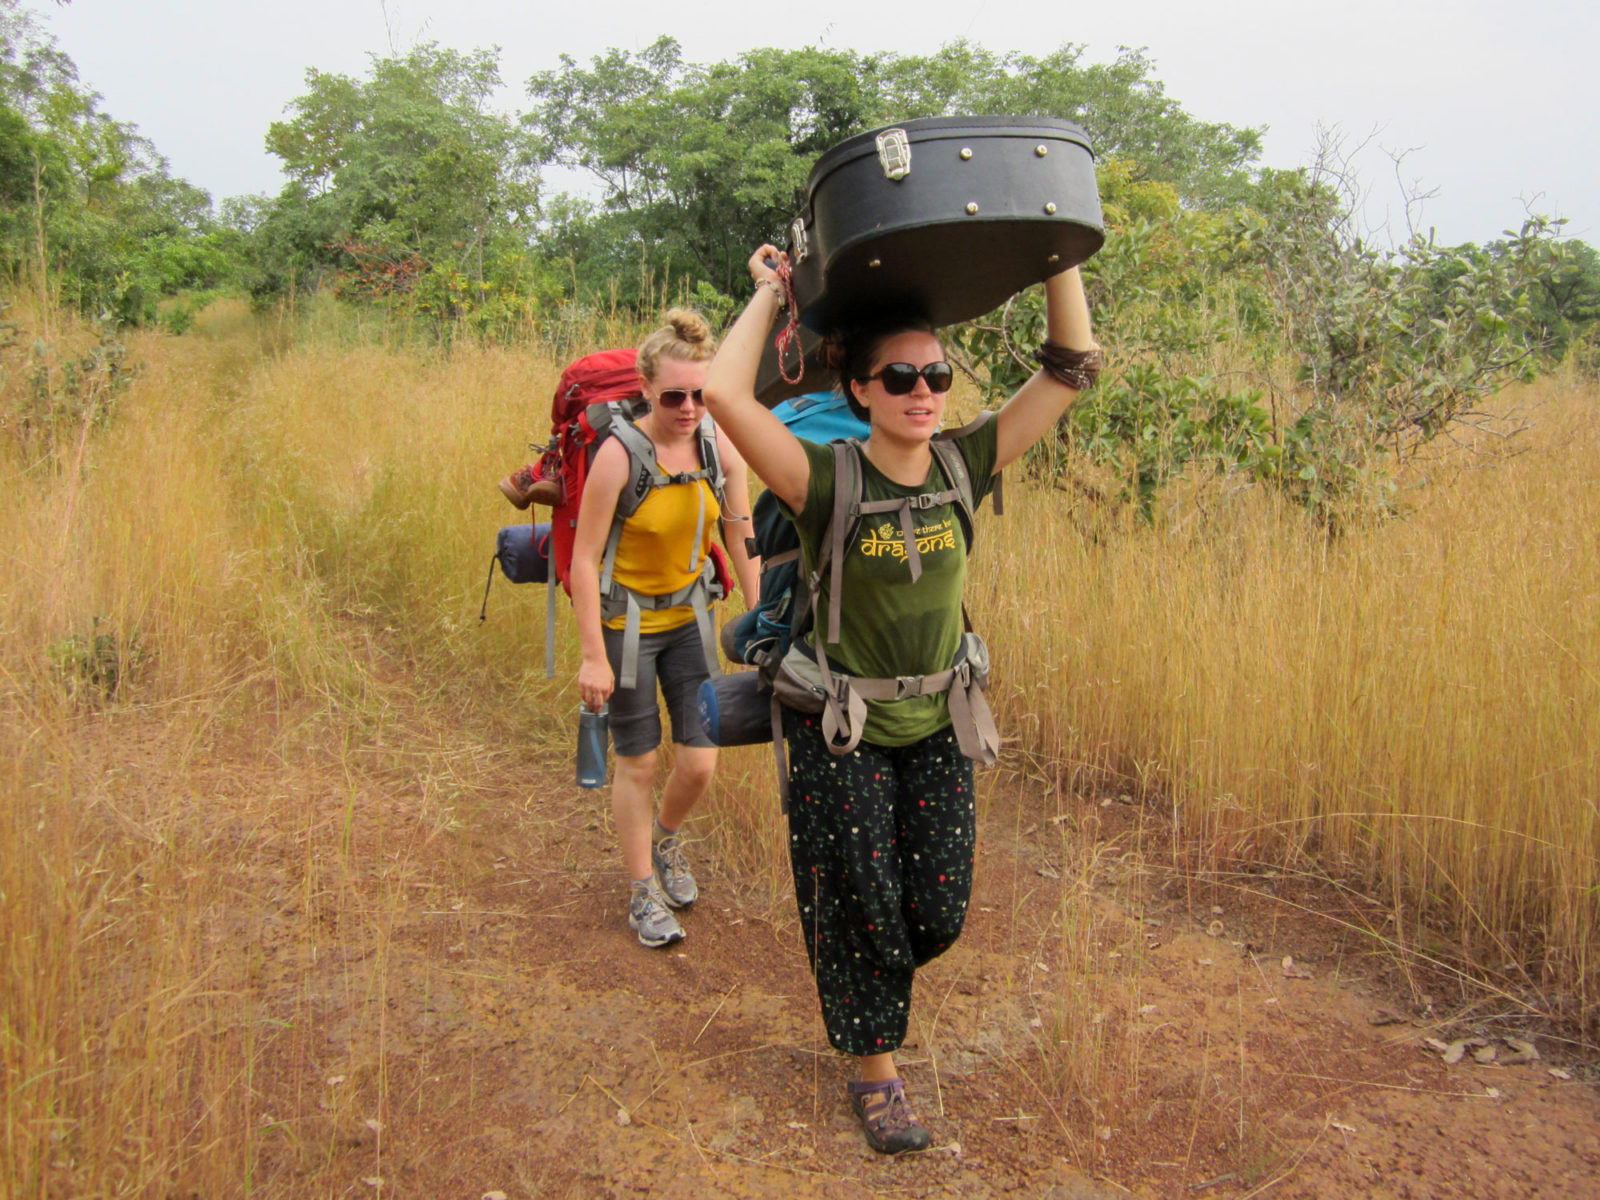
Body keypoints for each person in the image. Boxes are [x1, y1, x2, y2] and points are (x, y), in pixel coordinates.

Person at [702, 251, 1100, 1153]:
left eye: (937, 374)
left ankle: (866, 983)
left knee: (936, 908)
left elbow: (1071, 368)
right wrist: (774, 289)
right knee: (858, 899)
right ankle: (876, 1071)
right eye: (902, 377)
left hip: (937, 726)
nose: (924, 391)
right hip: (840, 731)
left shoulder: (966, 464)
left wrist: (1057, 257)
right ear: (862, 389)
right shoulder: (826, 479)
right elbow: (727, 399)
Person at [571, 309, 759, 949]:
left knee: (701, 762)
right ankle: (641, 890)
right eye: (674, 395)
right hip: (625, 627)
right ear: (647, 390)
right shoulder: (620, 456)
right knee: (641, 761)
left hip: (691, 622)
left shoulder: (717, 443)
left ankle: (666, 841)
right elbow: (582, 557)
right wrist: (592, 656)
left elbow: (740, 530)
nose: (688, 407)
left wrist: (761, 620)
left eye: (701, 395)